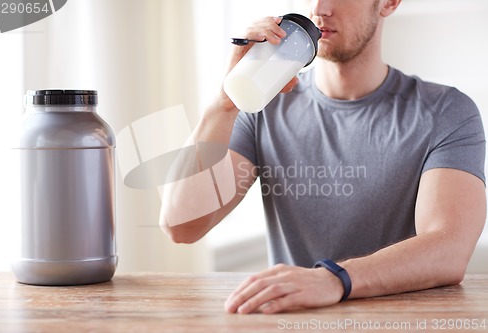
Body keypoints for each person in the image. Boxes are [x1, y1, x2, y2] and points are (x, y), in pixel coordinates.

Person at [159, 0, 486, 314]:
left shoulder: (446, 112)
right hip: (294, 320)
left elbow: (448, 248)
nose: (319, 8)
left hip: (401, 321)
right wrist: (223, 105)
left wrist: (332, 279)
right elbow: (182, 225)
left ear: (389, 3)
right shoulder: (264, 107)